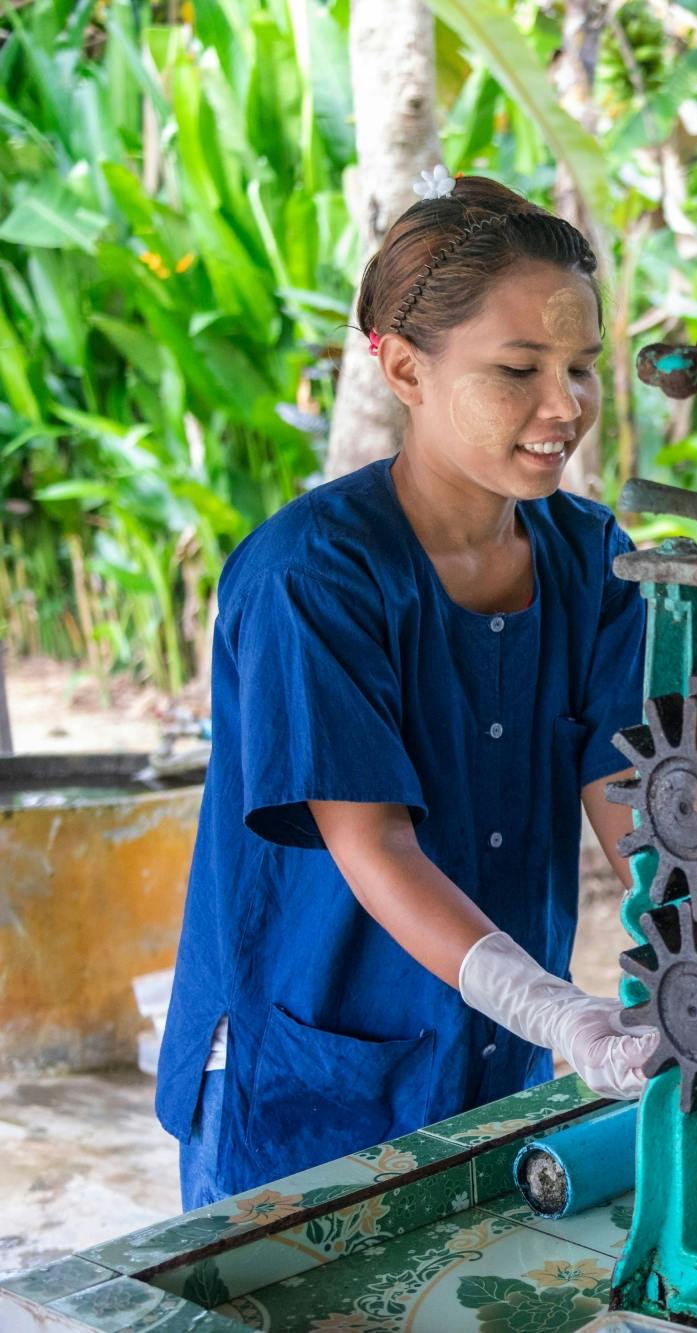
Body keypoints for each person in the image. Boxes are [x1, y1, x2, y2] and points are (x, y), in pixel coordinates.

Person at [156, 175, 658, 1207]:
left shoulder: (591, 553)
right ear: (401, 367)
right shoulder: (312, 578)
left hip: (490, 1055)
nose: (563, 407)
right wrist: (558, 1012)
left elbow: (627, 785)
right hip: (309, 1067)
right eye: (517, 369)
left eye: (579, 367)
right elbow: (372, 841)